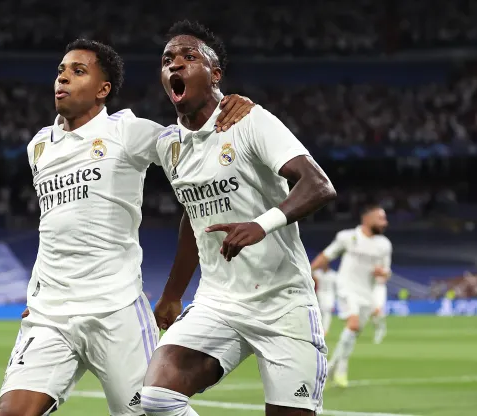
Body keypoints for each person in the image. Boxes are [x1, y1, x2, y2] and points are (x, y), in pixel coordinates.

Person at [0, 38, 256, 416]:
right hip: (49, 315)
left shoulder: (128, 132)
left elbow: (198, 150)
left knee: (151, 411)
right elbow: (57, 227)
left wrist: (231, 111)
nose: (63, 78)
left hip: (116, 311)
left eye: (78, 71)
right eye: (61, 71)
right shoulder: (39, 147)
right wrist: (39, 292)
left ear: (103, 90)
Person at [141, 21, 337, 416]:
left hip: (284, 304)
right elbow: (191, 216)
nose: (175, 65)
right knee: (157, 398)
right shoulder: (167, 145)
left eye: (188, 57)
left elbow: (318, 185)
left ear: (215, 75)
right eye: (167, 60)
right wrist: (174, 293)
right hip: (220, 303)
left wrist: (260, 224)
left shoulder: (250, 121)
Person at [310, 204, 392, 387]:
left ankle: (337, 366)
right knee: (353, 324)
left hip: (367, 292)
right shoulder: (348, 237)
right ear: (367, 218)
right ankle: (334, 368)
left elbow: (387, 272)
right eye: (381, 218)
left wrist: (383, 273)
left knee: (353, 332)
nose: (385, 223)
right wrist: (309, 271)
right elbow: (327, 255)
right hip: (346, 287)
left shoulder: (384, 245)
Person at [314, 266, 338, 336]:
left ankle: (325, 330)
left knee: (327, 312)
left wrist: (335, 297)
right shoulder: (317, 273)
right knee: (318, 313)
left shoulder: (333, 274)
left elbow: (336, 287)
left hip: (329, 295)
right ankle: (318, 329)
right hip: (319, 294)